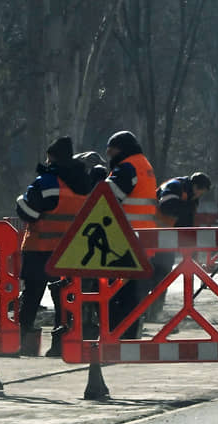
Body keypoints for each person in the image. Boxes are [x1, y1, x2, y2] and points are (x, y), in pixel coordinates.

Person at [16, 136, 92, 355]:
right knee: (64, 298)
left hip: (40, 249)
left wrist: (20, 200)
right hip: (69, 252)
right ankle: (61, 345)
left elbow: (30, 213)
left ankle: (20, 343)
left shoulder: (47, 182)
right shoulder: (84, 185)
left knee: (31, 298)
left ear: (52, 157)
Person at [104, 131, 158, 338]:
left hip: (123, 242)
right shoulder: (145, 166)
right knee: (133, 296)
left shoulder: (128, 167)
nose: (109, 156)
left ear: (121, 148)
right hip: (144, 241)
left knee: (116, 294)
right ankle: (128, 338)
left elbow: (107, 198)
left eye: (111, 151)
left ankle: (116, 339)